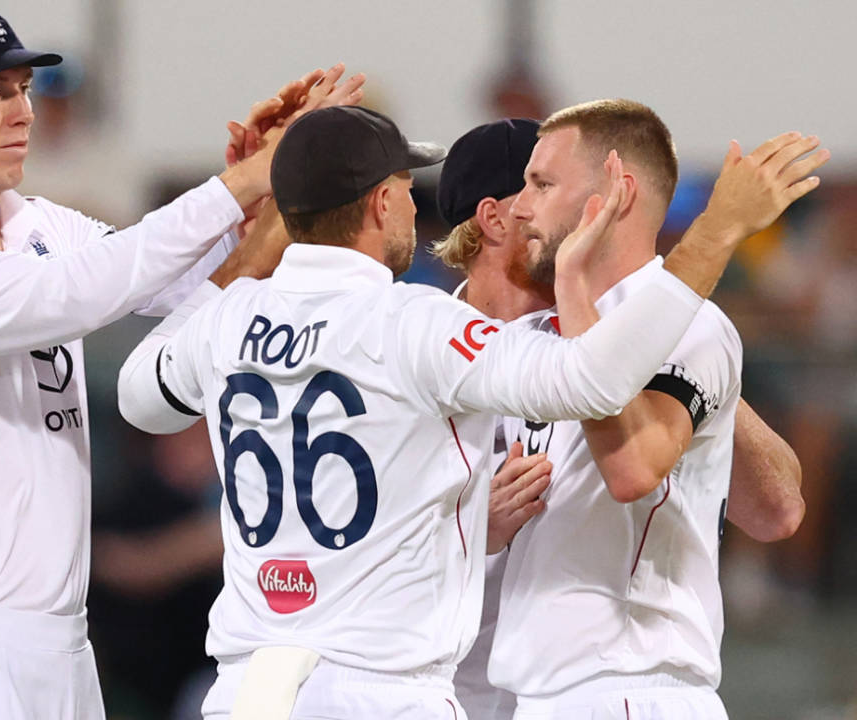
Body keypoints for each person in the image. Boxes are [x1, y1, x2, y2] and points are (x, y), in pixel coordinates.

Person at [115, 101, 793, 719]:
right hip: (399, 685)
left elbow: (139, 396)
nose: (531, 204)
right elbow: (591, 381)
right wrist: (715, 235)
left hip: (266, 683)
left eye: (544, 183)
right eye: (410, 191)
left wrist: (266, 231)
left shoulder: (237, 318)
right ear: (386, 203)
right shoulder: (425, 330)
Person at [0, 2, 361, 717]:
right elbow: (72, 294)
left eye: (22, 88)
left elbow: (196, 294)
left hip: (64, 641)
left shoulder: (45, 225)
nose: (22, 112)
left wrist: (262, 198)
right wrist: (241, 184)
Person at [434, 117, 808, 720]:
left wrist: (622, 309)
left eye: (543, 185)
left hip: (622, 685)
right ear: (491, 218)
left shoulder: (666, 323)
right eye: (525, 187)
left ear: (609, 198)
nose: (529, 207)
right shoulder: (478, 344)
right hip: (478, 687)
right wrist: (468, 524)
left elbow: (756, 501)